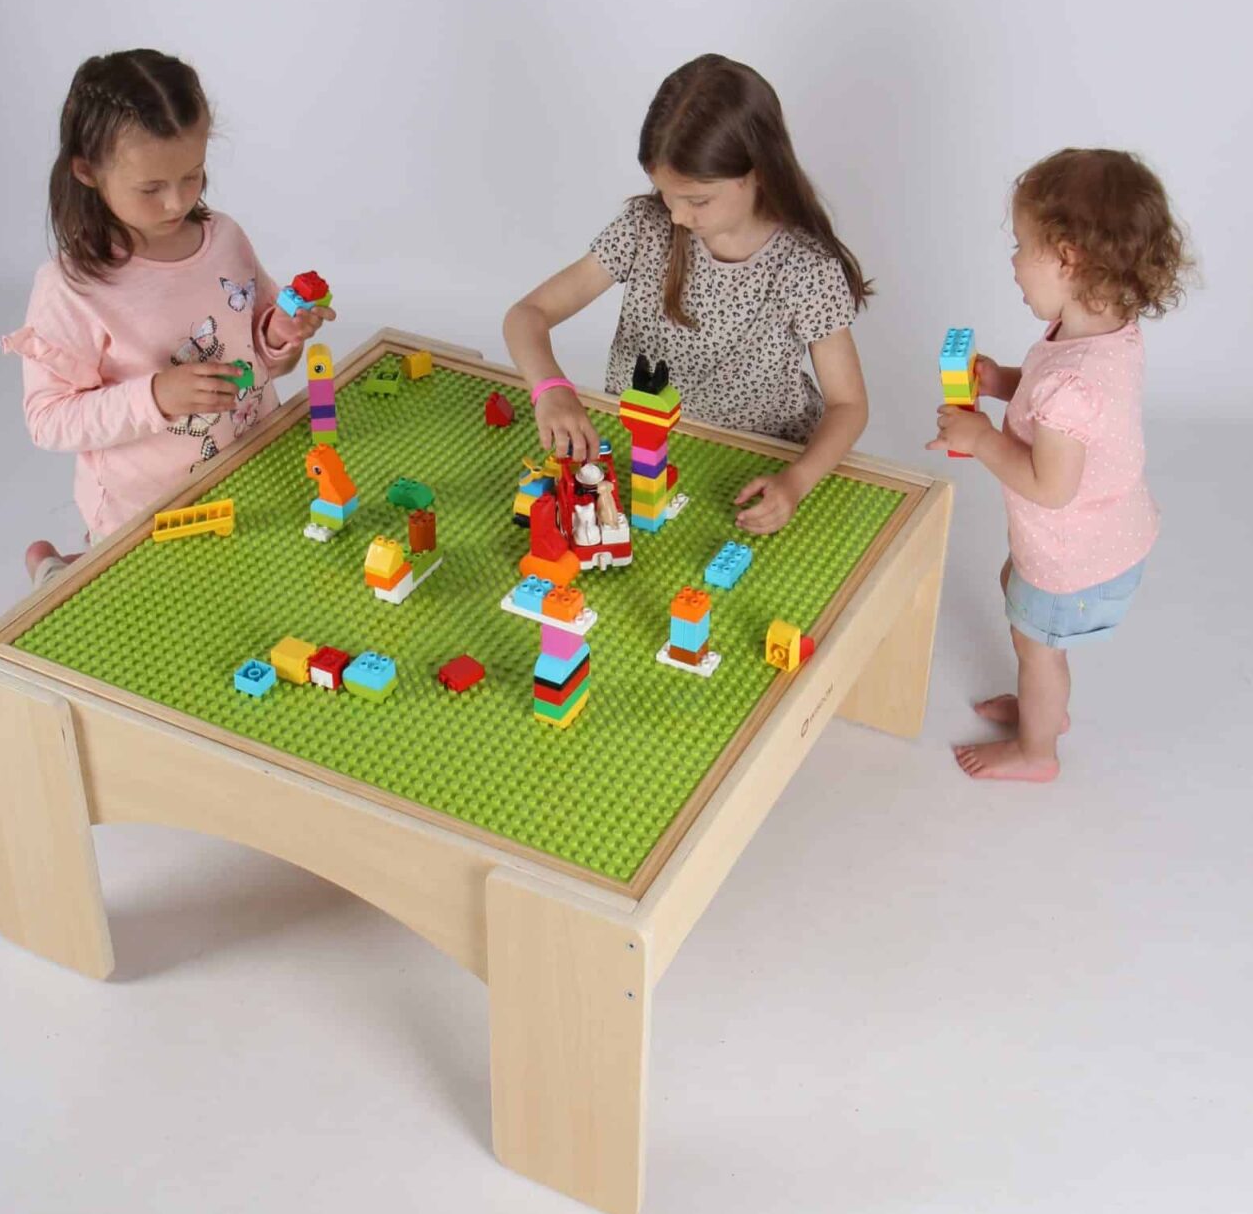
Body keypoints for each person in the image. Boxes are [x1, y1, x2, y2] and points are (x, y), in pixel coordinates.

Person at [503, 53, 871, 535]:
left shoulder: (806, 268)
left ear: (759, 171)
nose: (676, 216)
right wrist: (550, 388)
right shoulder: (644, 227)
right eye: (666, 194)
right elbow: (527, 314)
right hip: (640, 453)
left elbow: (848, 405)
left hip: (753, 465)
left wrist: (796, 482)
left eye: (697, 200)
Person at [3, 49, 332, 585]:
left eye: (192, 176)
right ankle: (59, 570)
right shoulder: (72, 288)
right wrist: (157, 396)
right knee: (143, 611)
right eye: (151, 188)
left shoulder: (224, 239)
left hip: (249, 472)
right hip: (144, 511)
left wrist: (280, 334)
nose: (177, 202)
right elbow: (48, 419)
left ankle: (65, 566)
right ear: (87, 171)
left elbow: (263, 357)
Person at [927, 148, 1191, 782]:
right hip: (1098, 538)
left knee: (1037, 648)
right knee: (1017, 598)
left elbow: (1050, 485)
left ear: (1067, 259)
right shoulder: (1098, 335)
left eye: (1021, 246)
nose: (1013, 262)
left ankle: (1037, 747)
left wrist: (981, 438)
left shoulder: (1074, 383)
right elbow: (1051, 402)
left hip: (1075, 558)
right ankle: (1041, 706)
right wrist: (1001, 381)